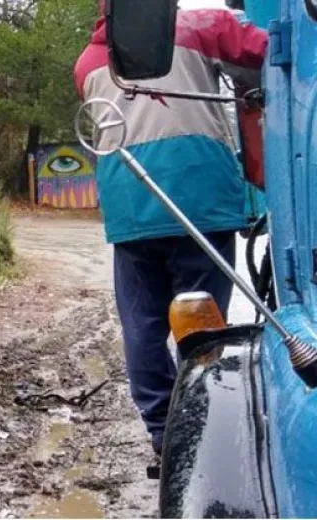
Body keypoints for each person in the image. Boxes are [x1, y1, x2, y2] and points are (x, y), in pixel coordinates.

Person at [73, 2, 267, 457]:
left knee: (142, 324)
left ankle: (163, 431)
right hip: (198, 198)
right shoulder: (204, 26)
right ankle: (200, 419)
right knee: (203, 323)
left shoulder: (86, 63)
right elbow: (272, 57)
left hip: (130, 206)